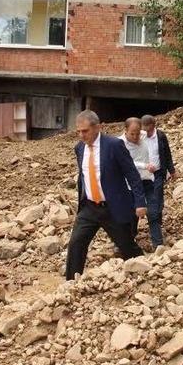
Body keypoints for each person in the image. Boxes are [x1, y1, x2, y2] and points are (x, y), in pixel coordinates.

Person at [65, 110, 147, 280]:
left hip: (113, 208)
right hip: (89, 207)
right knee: (76, 243)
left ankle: (146, 271)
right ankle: (71, 284)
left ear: (98, 127)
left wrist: (140, 202)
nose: (81, 135)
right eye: (78, 131)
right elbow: (84, 175)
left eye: (85, 131)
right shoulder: (79, 148)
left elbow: (132, 174)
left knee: (126, 246)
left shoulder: (114, 145)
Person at [140, 114, 176, 247]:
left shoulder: (160, 136)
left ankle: (156, 224)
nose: (145, 132)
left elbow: (167, 153)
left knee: (158, 200)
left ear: (153, 126)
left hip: (158, 173)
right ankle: (156, 234)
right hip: (143, 175)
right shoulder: (139, 137)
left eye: (148, 129)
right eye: (143, 129)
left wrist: (171, 170)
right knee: (151, 205)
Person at [119, 117, 153, 244]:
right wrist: (145, 165)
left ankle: (133, 236)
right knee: (129, 211)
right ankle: (126, 239)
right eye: (132, 134)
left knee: (144, 209)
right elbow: (128, 162)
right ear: (126, 130)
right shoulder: (120, 143)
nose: (135, 136)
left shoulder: (143, 136)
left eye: (137, 133)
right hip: (128, 183)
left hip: (146, 178)